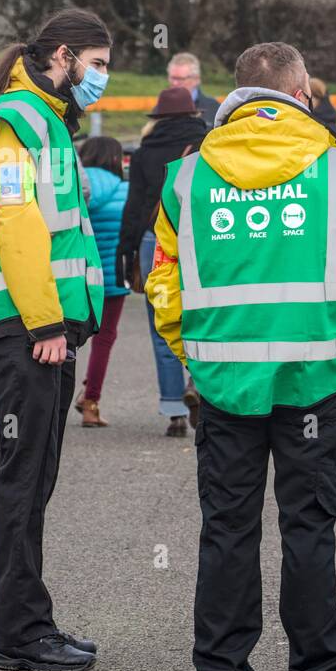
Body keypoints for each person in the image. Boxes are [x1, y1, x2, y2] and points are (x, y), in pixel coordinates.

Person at [145, 41, 336, 671]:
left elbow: (162, 280)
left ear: (233, 97)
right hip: (315, 381)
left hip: (224, 383)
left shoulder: (187, 178)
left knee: (226, 526)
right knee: (309, 527)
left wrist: (192, 351)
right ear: (304, 92)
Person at [0, 8, 110, 671]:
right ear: (63, 56)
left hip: (32, 324)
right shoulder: (18, 121)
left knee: (32, 475)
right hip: (22, 326)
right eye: (96, 64)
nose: (102, 77)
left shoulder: (42, 119)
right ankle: (18, 633)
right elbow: (17, 225)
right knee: (23, 476)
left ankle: (28, 622)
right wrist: (45, 324)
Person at [117, 86, 206, 435]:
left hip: (155, 241)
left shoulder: (144, 153)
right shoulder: (208, 147)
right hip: (203, 238)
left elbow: (135, 206)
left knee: (161, 326)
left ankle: (174, 413)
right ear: (195, 115)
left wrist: (125, 252)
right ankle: (198, 385)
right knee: (203, 317)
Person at [73, 135, 128, 427]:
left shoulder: (76, 184)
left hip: (75, 273)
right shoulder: (124, 190)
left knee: (65, 338)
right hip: (112, 276)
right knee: (104, 340)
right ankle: (91, 402)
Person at [166, 52, 219, 129]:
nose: (175, 83)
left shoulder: (213, 109)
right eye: (172, 78)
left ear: (196, 79)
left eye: (181, 79)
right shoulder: (161, 109)